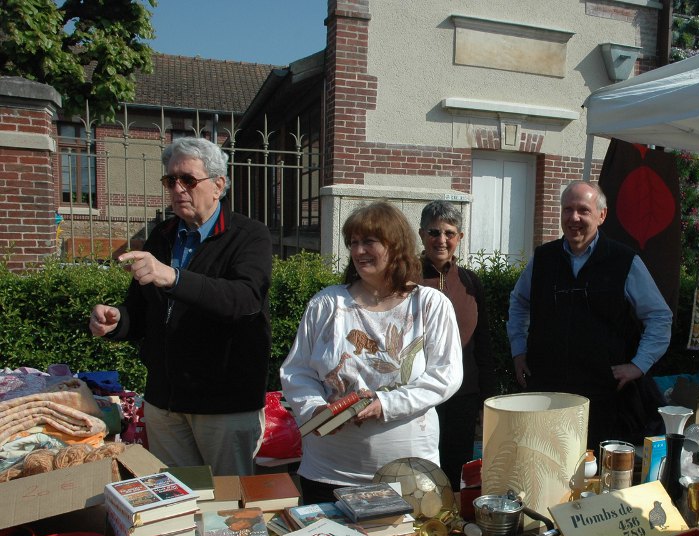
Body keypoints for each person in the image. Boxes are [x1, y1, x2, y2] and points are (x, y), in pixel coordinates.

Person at [89, 137, 272, 476]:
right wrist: (117, 321)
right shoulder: (163, 234)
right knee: (177, 498)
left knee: (227, 501)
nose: (177, 188)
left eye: (188, 179)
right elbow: (139, 311)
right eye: (170, 180)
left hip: (223, 406)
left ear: (218, 185)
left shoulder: (249, 235)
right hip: (165, 404)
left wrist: (173, 277)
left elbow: (245, 299)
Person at [280, 201, 463, 504]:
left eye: (369, 241)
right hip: (329, 471)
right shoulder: (327, 304)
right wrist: (313, 409)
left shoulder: (430, 304)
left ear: (395, 246)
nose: (359, 250)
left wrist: (384, 404)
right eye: (353, 242)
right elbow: (297, 371)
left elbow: (446, 375)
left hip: (407, 474)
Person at [507, 180, 672, 448]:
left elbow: (659, 317)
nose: (574, 218)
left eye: (583, 210)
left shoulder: (624, 261)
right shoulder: (543, 259)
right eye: (567, 209)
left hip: (604, 398)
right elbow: (518, 303)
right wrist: (518, 351)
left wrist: (639, 365)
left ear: (601, 215)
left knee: (596, 467)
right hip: (548, 394)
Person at [418, 200, 498, 489]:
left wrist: (487, 399)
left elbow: (483, 343)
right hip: (421, 398)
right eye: (434, 232)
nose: (441, 240)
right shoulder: (406, 279)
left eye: (449, 233)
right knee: (421, 476)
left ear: (460, 237)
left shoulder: (470, 282)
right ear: (421, 235)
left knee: (456, 476)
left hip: (463, 397)